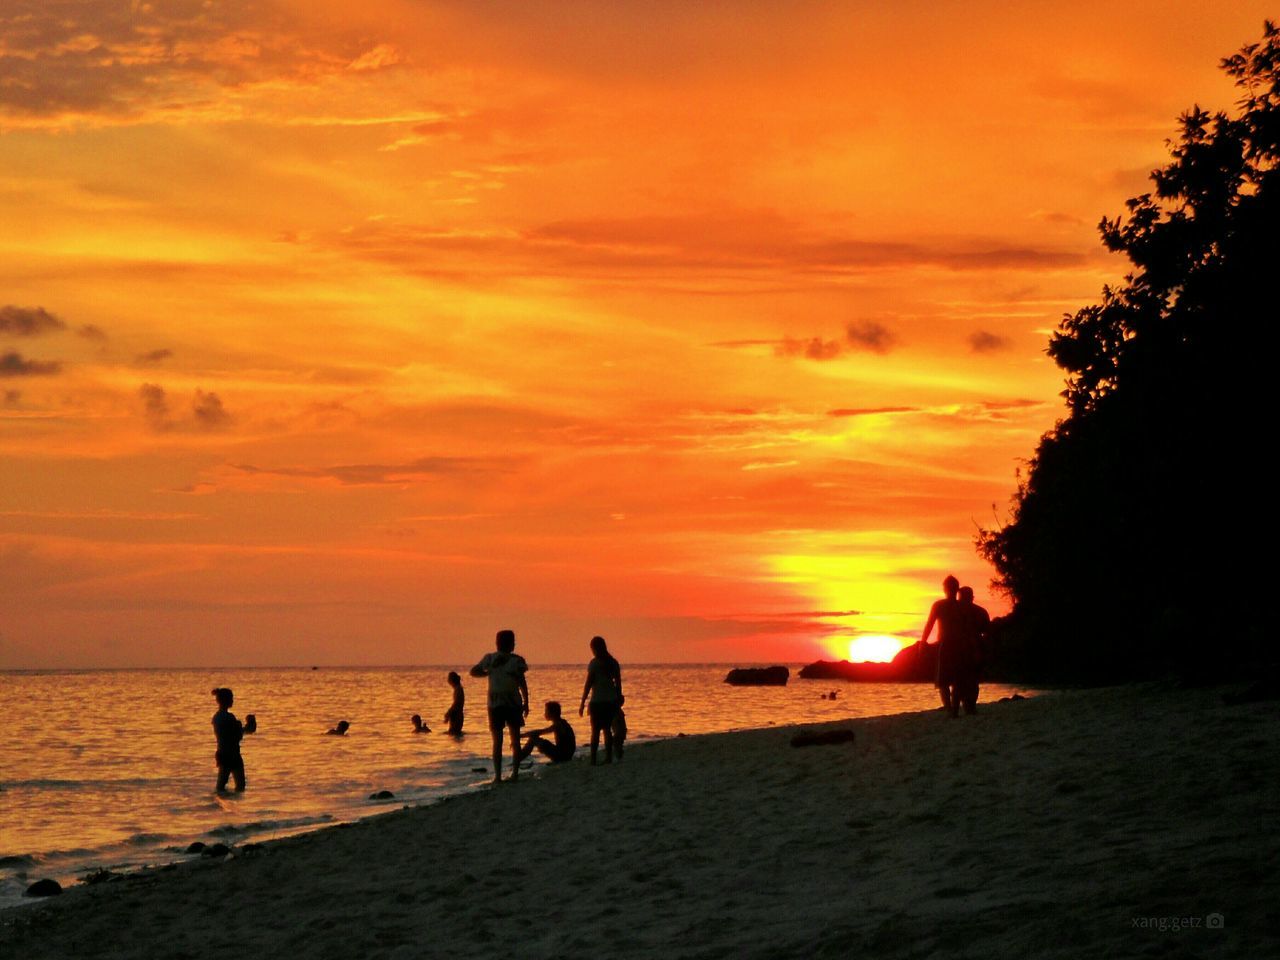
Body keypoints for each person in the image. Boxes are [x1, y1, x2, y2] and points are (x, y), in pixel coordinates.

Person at [470, 629, 529, 783]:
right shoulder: (513, 660)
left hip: (497, 704)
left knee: (499, 741)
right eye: (513, 642)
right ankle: (512, 773)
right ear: (511, 644)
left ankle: (499, 776)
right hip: (510, 703)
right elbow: (522, 682)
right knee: (513, 740)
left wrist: (489, 673)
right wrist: (526, 701)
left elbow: (474, 671)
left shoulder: (493, 659)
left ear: (497, 644)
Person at [919, 575, 969, 717]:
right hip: (959, 644)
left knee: (944, 680)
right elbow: (968, 627)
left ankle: (950, 709)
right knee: (956, 679)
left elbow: (929, 624)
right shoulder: (962, 606)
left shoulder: (940, 605)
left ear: (945, 589)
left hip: (947, 644)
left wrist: (923, 642)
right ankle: (953, 709)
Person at [578, 635, 623, 765]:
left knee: (595, 731)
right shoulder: (613, 662)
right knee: (607, 730)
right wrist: (618, 697)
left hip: (597, 701)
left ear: (595, 649)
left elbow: (588, 684)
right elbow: (618, 683)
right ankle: (608, 757)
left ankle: (593, 759)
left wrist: (582, 702)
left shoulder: (594, 664)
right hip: (610, 701)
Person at [211, 687, 253, 793]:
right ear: (226, 700)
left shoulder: (217, 717)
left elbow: (235, 733)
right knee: (239, 786)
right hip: (231, 754)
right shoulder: (227, 717)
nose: (232, 701)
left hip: (223, 753)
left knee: (221, 786)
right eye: (231, 698)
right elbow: (236, 734)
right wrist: (249, 726)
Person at [956, 586, 991, 715]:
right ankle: (969, 706)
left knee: (965, 680)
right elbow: (987, 632)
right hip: (973, 648)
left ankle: (967, 706)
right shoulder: (980, 611)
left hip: (967, 649)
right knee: (972, 680)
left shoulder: (958, 612)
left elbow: (987, 632)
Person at [442, 671, 465, 736]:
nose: (448, 680)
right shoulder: (457, 689)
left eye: (448, 679)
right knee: (453, 734)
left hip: (457, 715)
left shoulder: (458, 689)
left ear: (452, 680)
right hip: (456, 715)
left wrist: (448, 713)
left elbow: (456, 703)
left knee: (453, 733)